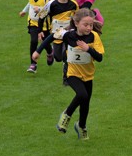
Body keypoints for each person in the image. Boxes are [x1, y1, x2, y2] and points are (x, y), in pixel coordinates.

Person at [32, 8, 104, 140]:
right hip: (71, 73)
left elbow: (100, 58)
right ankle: (67, 114)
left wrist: (88, 49)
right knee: (82, 94)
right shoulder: (67, 34)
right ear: (76, 23)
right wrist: (38, 51)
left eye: (91, 25)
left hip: (88, 74)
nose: (89, 28)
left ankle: (81, 126)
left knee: (85, 103)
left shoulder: (94, 36)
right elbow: (51, 37)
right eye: (85, 25)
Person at [38, 0, 79, 64]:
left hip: (68, 33)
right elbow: (41, 17)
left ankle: (67, 72)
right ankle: (53, 51)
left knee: (66, 55)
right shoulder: (51, 4)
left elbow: (78, 18)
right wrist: (40, 30)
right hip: (55, 34)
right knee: (58, 57)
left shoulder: (74, 5)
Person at [19, 0, 54, 73]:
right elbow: (30, 3)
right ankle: (33, 64)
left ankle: (50, 52)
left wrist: (40, 9)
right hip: (33, 23)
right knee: (34, 41)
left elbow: (50, 10)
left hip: (44, 24)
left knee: (44, 41)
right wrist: (24, 11)